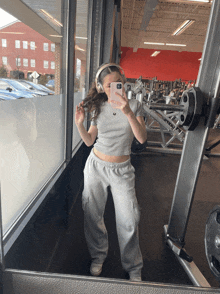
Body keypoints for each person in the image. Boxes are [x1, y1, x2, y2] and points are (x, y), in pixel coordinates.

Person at [75, 63, 147, 281]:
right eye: (108, 85)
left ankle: (133, 266)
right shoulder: (98, 107)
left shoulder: (134, 105)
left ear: (123, 83)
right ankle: (98, 256)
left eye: (119, 83)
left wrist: (127, 112)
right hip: (96, 166)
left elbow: (142, 138)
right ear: (100, 87)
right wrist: (80, 124)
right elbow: (89, 140)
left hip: (122, 169)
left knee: (129, 219)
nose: (115, 88)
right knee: (92, 214)